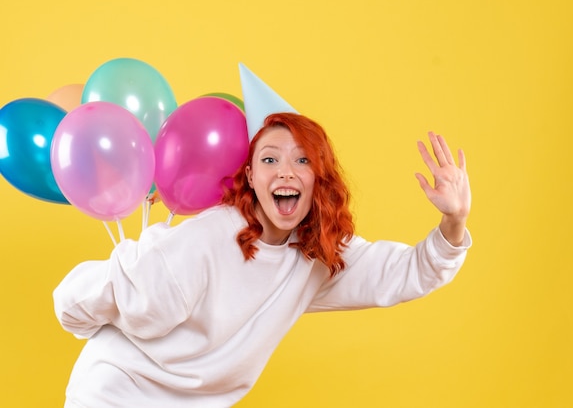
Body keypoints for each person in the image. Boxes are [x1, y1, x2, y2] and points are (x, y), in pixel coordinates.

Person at [53, 112, 472, 407]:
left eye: (302, 160)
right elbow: (88, 300)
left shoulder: (315, 253)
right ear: (252, 176)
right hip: (114, 397)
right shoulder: (209, 237)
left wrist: (454, 219)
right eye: (270, 159)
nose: (286, 172)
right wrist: (129, 280)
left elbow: (410, 272)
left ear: (317, 177)